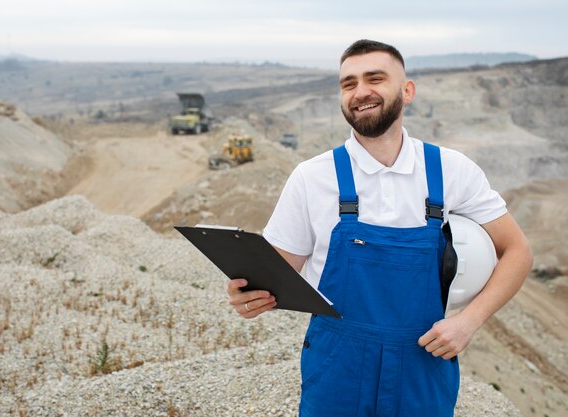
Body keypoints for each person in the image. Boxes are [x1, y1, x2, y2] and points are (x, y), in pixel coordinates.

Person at [226, 39, 533, 417]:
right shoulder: (312, 177)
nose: (361, 92)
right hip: (337, 367)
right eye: (348, 83)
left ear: (407, 91)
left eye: (375, 78)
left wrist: (469, 322)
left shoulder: (453, 171)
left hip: (423, 361)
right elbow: (279, 271)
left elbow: (517, 251)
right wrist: (251, 293)